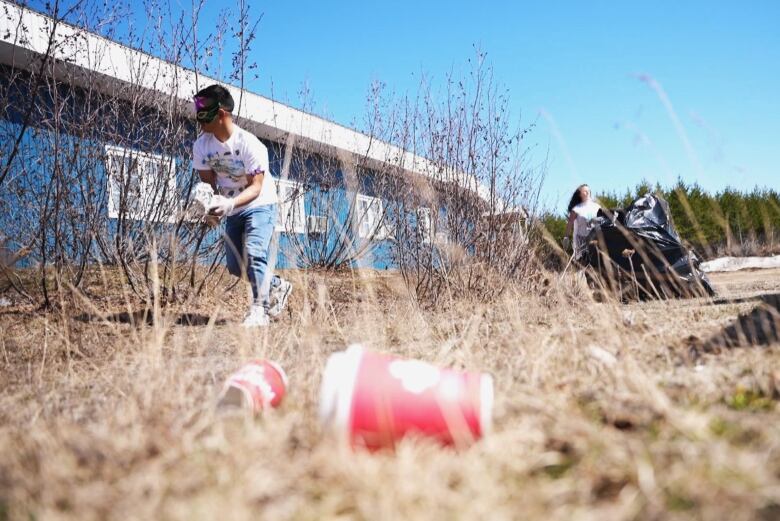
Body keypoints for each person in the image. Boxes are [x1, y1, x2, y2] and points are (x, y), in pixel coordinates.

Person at [192, 84, 292, 327]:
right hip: (232, 208)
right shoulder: (201, 146)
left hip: (259, 203)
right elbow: (209, 185)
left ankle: (260, 311)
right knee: (237, 267)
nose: (198, 117)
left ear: (222, 113)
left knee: (255, 252)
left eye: (203, 110)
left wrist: (230, 203)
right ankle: (277, 285)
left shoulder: (250, 144)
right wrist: (209, 207)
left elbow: (256, 187)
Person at [563, 184, 601, 255]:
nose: (587, 192)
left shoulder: (597, 207)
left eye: (588, 190)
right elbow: (570, 223)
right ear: (580, 194)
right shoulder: (576, 209)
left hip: (595, 240)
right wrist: (566, 237)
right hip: (580, 241)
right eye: (584, 191)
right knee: (582, 262)